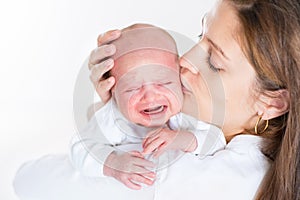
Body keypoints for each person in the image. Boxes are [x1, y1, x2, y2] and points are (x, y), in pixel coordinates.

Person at [13, 0, 299, 199]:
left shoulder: (173, 177)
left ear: (272, 102)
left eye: (213, 61)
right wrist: (119, 106)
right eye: (200, 35)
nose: (184, 59)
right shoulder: (234, 141)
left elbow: (28, 181)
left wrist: (112, 125)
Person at [70, 23, 225, 190]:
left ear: (179, 79)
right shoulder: (112, 118)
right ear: (112, 90)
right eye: (133, 88)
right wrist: (112, 163)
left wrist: (183, 139)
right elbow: (79, 147)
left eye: (164, 82)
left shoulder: (184, 114)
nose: (150, 97)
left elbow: (217, 139)